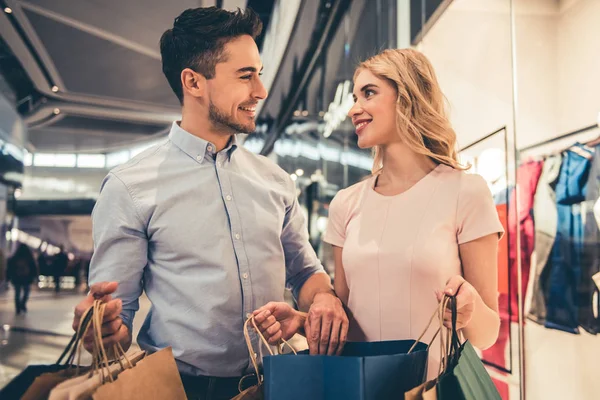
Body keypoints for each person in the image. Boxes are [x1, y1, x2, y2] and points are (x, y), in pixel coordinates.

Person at [71, 7, 347, 400]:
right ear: (193, 82)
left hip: (278, 385)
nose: (261, 91)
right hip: (181, 390)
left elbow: (305, 272)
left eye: (260, 74)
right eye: (245, 76)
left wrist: (324, 300)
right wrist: (102, 331)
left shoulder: (275, 181)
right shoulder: (129, 188)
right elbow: (118, 322)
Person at [254, 48, 504, 378]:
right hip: (360, 387)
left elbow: (488, 335)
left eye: (369, 93)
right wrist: (305, 322)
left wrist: (468, 309)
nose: (355, 109)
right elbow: (346, 316)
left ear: (409, 97)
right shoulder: (346, 202)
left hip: (430, 388)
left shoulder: (466, 191)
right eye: (355, 97)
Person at [7, 244, 38, 314]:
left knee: (17, 293)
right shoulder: (29, 258)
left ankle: (17, 307)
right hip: (26, 278)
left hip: (16, 278)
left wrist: (8, 277)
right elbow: (34, 268)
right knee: (26, 292)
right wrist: (34, 277)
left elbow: (10, 268)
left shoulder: (15, 257)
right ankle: (23, 304)